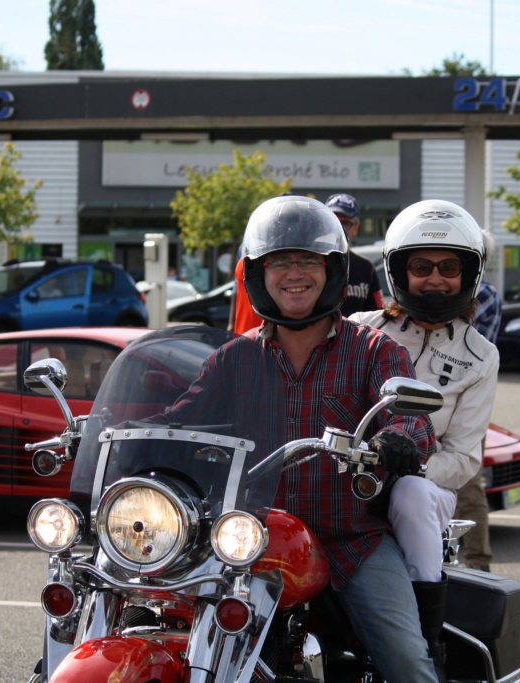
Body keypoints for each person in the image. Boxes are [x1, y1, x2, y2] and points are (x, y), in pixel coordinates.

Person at [159, 195, 443, 683]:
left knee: (408, 661)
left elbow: (413, 424)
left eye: (308, 260)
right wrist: (111, 433)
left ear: (331, 271)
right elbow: (177, 422)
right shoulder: (233, 359)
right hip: (248, 545)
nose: (295, 273)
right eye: (280, 262)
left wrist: (398, 439)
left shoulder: (373, 350)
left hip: (349, 539)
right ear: (258, 275)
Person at [350, 199, 499, 678]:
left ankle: (424, 639)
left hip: (426, 489)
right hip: (345, 477)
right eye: (421, 266)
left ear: (469, 274)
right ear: (398, 271)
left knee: (412, 495)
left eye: (449, 267)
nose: (436, 279)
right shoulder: (359, 331)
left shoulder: (480, 356)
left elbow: (463, 459)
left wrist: (409, 465)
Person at [451, 246, 504, 572]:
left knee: (468, 484)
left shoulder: (480, 292)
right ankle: (472, 562)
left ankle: (478, 565)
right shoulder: (488, 291)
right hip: (462, 395)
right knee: (467, 486)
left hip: (463, 397)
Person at [325, 193, 384, 316]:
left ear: (356, 227)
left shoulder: (366, 268)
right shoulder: (310, 263)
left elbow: (378, 315)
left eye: (345, 223)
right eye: (333, 220)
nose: (339, 227)